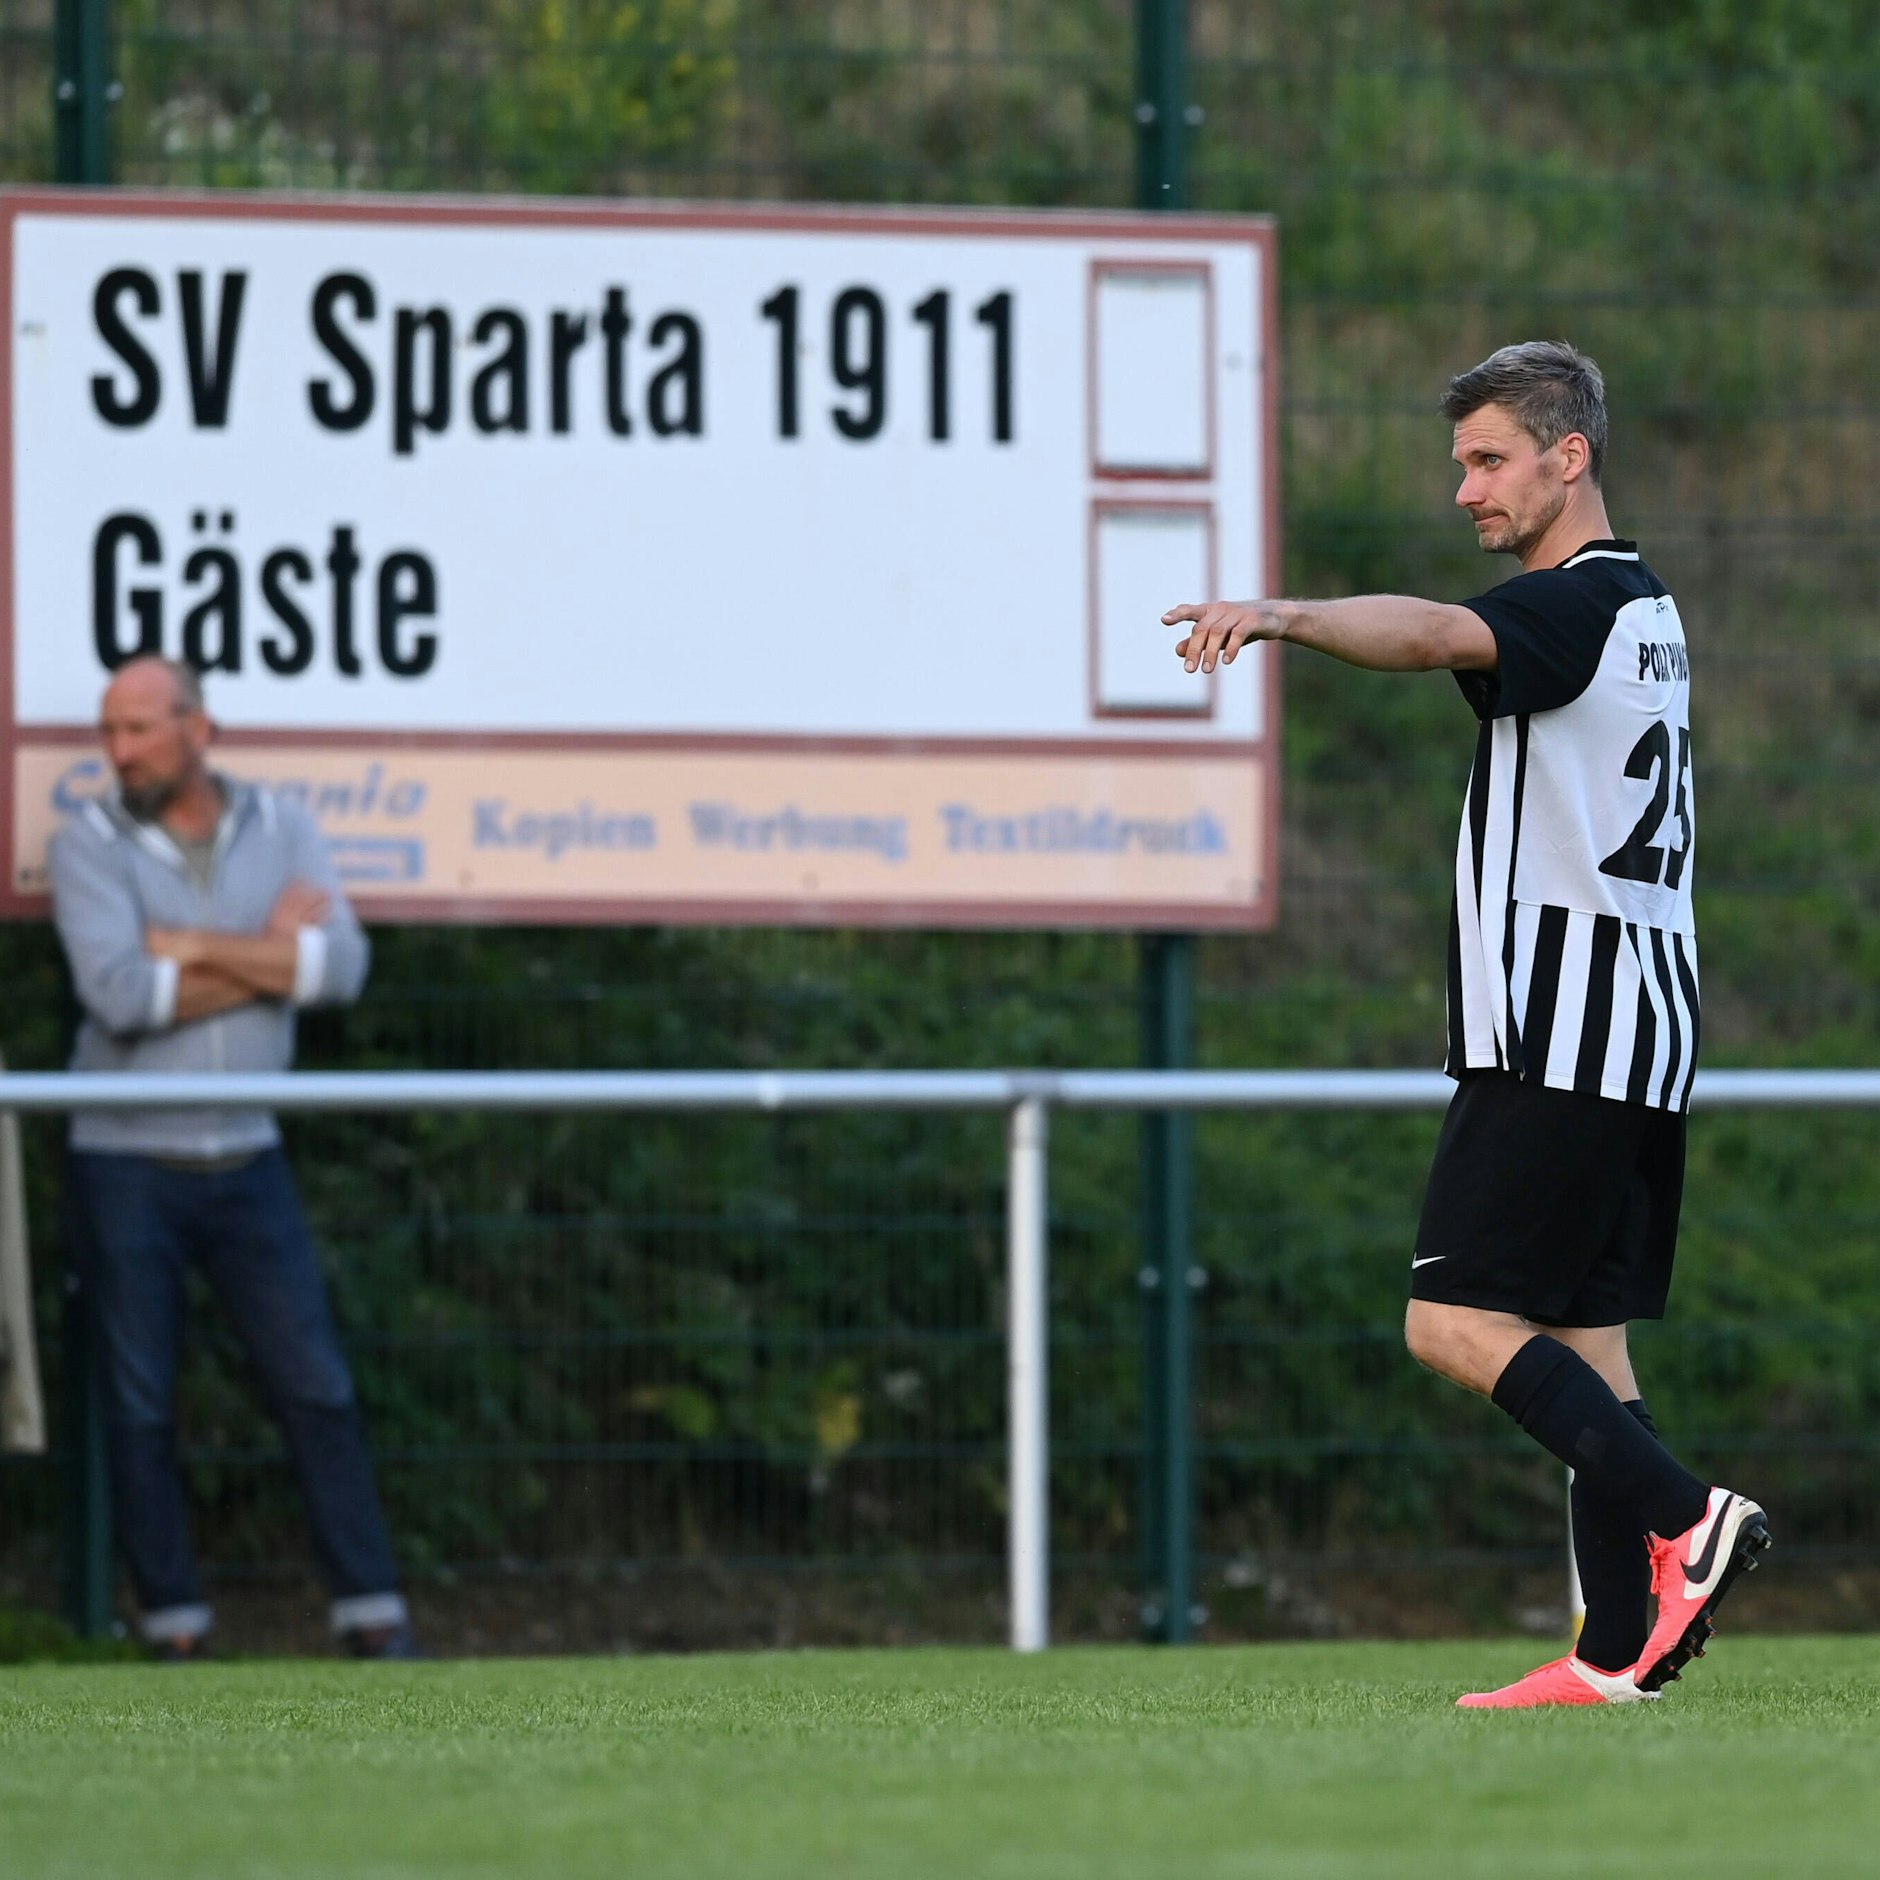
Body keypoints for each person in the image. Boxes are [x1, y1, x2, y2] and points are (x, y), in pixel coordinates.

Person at [1163, 340, 1770, 1709]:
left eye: (1491, 460)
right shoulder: (1649, 606)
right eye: (1461, 464)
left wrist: (1282, 613)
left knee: (1448, 1323)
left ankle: (1688, 1518)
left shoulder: (1577, 605)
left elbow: (1438, 630)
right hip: (1639, 1033)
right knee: (1590, 1350)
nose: (1466, 490)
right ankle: (1620, 1651)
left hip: (1558, 1034)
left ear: (1573, 459)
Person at [49, 656, 416, 1660]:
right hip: (125, 1161)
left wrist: (194, 946)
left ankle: (371, 1614)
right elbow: (121, 995)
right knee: (138, 1399)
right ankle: (175, 1629)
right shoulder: (86, 843)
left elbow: (339, 968)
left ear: (198, 729)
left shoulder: (285, 824)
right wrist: (265, 957)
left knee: (316, 1385)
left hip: (249, 1154)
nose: (119, 751)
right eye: (108, 731)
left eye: (139, 729)